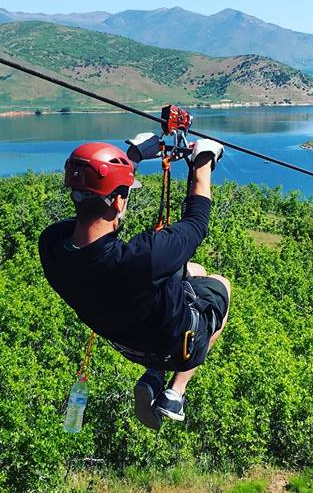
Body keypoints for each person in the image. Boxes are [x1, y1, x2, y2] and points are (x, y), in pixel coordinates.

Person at [38, 137, 230, 428]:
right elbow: (196, 223)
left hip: (129, 343)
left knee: (195, 269)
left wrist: (132, 161)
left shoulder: (51, 246)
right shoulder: (142, 259)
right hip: (176, 345)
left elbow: (90, 219)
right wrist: (203, 161)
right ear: (118, 200)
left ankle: (154, 374)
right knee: (220, 283)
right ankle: (176, 392)